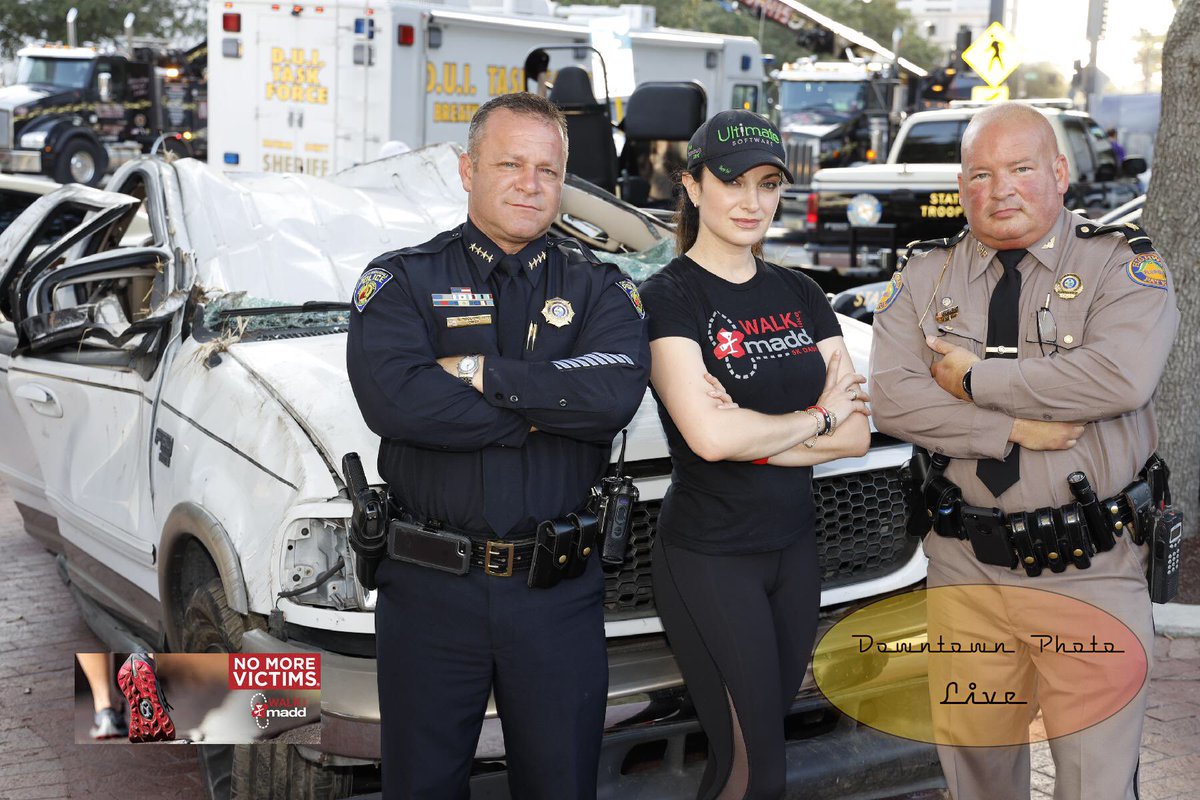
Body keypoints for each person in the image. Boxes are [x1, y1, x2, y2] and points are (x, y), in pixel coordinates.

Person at [870, 102, 1179, 800]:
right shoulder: (925, 275)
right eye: (980, 173)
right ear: (961, 182)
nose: (1000, 189)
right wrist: (1010, 428)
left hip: (1091, 573)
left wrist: (972, 378)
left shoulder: (1120, 265)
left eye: (1020, 168)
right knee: (975, 782)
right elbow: (892, 398)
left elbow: (1118, 376)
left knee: (1094, 787)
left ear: (1061, 172)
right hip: (966, 576)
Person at [346, 92, 649, 800]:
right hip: (428, 591)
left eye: (547, 169)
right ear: (467, 170)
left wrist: (481, 376)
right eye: (510, 163)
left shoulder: (602, 285)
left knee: (563, 786)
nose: (530, 182)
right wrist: (551, 406)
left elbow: (613, 398)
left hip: (558, 596)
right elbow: (395, 402)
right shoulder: (401, 280)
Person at [637, 109, 871, 799]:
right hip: (710, 557)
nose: (752, 201)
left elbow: (857, 436)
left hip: (794, 553)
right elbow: (710, 440)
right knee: (756, 766)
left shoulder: (801, 292)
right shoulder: (668, 297)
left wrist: (754, 435)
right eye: (733, 181)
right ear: (692, 186)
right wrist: (816, 416)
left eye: (768, 185)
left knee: (754, 760)